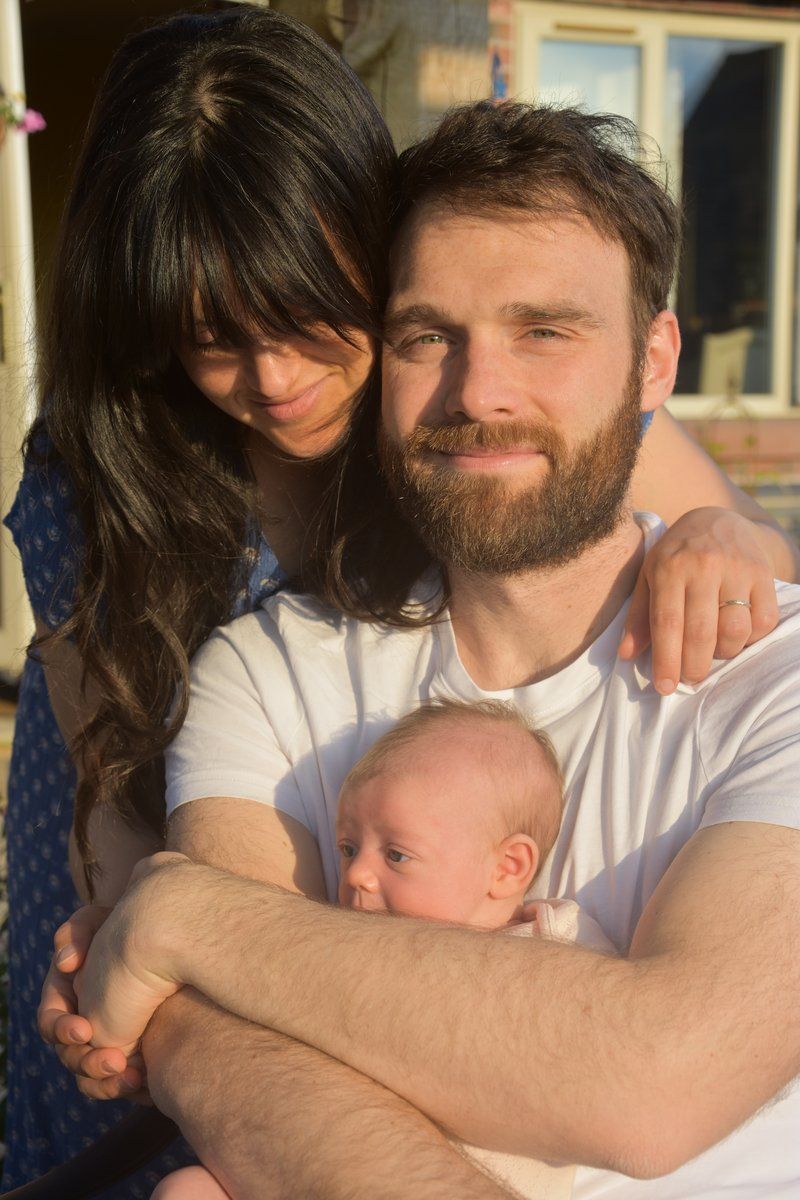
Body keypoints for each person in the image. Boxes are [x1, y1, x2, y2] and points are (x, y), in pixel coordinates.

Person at [43, 103, 800, 1200]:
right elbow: (217, 1049)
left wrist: (186, 914)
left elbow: (659, 1084)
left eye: (544, 331)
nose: (478, 392)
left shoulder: (773, 677)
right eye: (426, 336)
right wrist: (178, 953)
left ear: (652, 362)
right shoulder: (266, 673)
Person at [1, 6, 396, 1190]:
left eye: (305, 314)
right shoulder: (96, 469)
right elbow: (108, 795)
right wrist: (142, 982)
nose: (271, 379)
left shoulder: (457, 390)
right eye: (209, 337)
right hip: (137, 941)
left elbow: (687, 503)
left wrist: (711, 538)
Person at [151, 697, 615, 1200]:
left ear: (507, 868)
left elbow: (604, 1056)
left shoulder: (554, 945)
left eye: (396, 854)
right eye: (348, 848)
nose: (356, 874)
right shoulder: (337, 948)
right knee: (187, 1190)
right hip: (311, 1166)